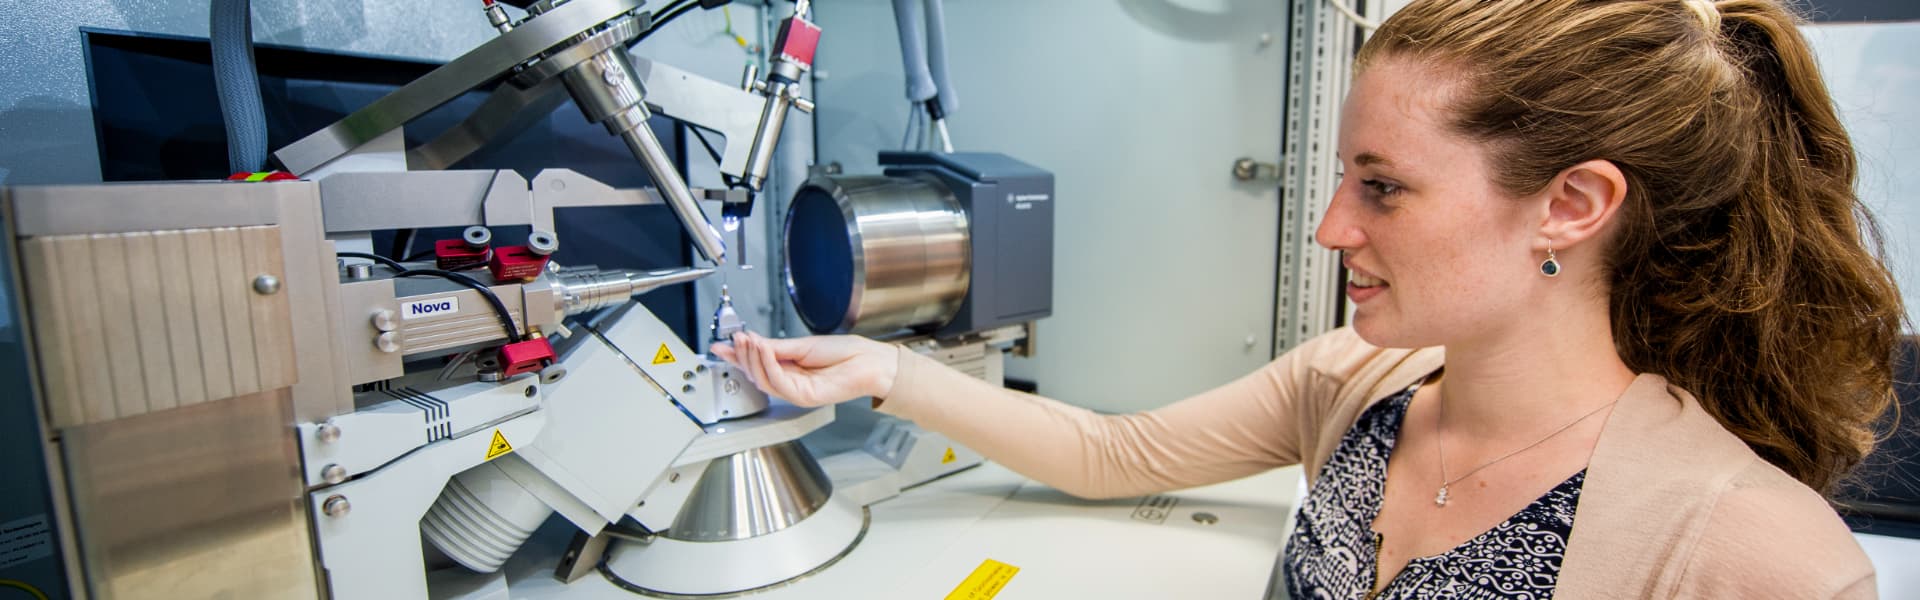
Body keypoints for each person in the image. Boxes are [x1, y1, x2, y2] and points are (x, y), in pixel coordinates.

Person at [713, 0, 1905, 597]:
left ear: (1572, 205)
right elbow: (1112, 450)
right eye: (1342, 176)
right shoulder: (1358, 386)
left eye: (1383, 188)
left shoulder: (1752, 551)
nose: (1335, 226)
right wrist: (889, 373)